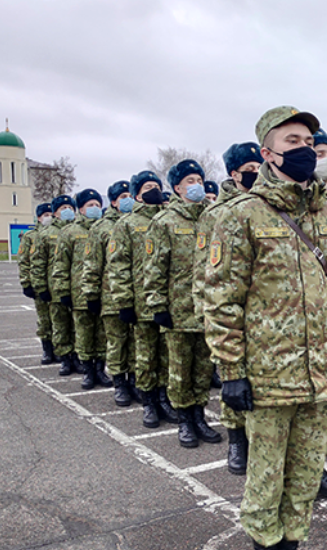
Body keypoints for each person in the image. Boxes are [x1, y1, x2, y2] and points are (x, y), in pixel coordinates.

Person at [205, 106, 327, 550]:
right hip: (268, 373)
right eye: (292, 141)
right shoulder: (240, 216)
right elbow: (219, 297)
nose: (305, 149)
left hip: (321, 372)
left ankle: (292, 549)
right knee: (267, 471)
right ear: (266, 154)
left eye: (310, 141)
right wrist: (231, 369)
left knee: (308, 469)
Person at [196, 142, 263, 475]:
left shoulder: (270, 206)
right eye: (250, 168)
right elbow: (205, 273)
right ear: (235, 174)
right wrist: (207, 319)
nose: (257, 172)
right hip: (234, 315)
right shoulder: (215, 214)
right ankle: (237, 443)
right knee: (234, 383)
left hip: (271, 319)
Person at [145, 159, 221, 449]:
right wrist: (158, 305)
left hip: (208, 310)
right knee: (179, 370)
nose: (196, 186)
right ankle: (184, 420)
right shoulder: (164, 222)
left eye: (199, 180)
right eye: (190, 181)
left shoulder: (213, 217)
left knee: (203, 368)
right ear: (176, 188)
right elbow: (153, 267)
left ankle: (200, 415)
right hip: (177, 311)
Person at [108, 171, 177, 427]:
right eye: (148, 187)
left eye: (157, 186)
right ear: (137, 193)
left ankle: (163, 399)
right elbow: (118, 266)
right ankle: (149, 403)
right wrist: (124, 302)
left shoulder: (168, 219)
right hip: (141, 306)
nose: (154, 190)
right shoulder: (126, 224)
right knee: (145, 357)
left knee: (166, 357)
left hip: (169, 303)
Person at [82, 180, 139, 406]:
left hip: (136, 296)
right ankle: (120, 384)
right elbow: (92, 264)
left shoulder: (138, 223)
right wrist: (91, 295)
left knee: (136, 344)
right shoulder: (101, 228)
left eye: (130, 195)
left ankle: (135, 381)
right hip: (111, 298)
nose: (128, 199)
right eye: (122, 196)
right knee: (116, 343)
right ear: (113, 202)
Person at [52, 188, 113, 390]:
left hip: (103, 293)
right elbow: (60, 265)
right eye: (90, 205)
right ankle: (87, 371)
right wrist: (63, 292)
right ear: (81, 209)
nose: (95, 208)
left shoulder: (108, 229)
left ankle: (99, 370)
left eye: (97, 204)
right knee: (84, 335)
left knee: (102, 335)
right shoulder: (69, 233)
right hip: (79, 294)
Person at [32, 195, 79, 376]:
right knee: (59, 325)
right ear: (55, 212)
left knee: (76, 326)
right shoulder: (45, 233)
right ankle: (65, 359)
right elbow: (38, 263)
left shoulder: (78, 230)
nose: (67, 210)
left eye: (70, 207)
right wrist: (40, 288)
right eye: (63, 207)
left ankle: (77, 357)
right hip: (55, 289)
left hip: (75, 288)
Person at [19, 203, 55, 364]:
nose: (49, 217)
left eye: (51, 214)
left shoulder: (57, 233)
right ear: (38, 218)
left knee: (59, 320)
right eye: (45, 214)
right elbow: (24, 261)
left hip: (55, 284)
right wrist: (26, 283)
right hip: (39, 283)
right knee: (44, 319)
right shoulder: (30, 236)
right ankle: (47, 350)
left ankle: (61, 350)